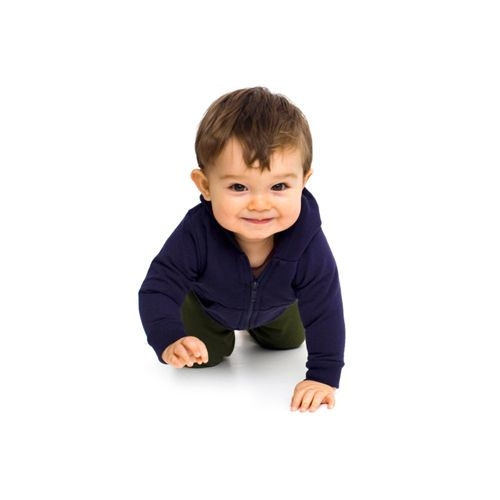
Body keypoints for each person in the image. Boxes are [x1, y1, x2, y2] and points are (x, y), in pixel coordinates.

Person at [138, 87, 345, 412]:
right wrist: (169, 338)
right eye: (238, 187)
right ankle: (212, 335)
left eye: (279, 186)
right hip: (208, 307)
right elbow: (157, 287)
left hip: (277, 306)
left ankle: (267, 328)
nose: (260, 204)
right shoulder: (197, 233)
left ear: (303, 181)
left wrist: (323, 376)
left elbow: (326, 307)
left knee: (288, 341)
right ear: (206, 185)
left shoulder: (308, 241)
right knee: (204, 357)